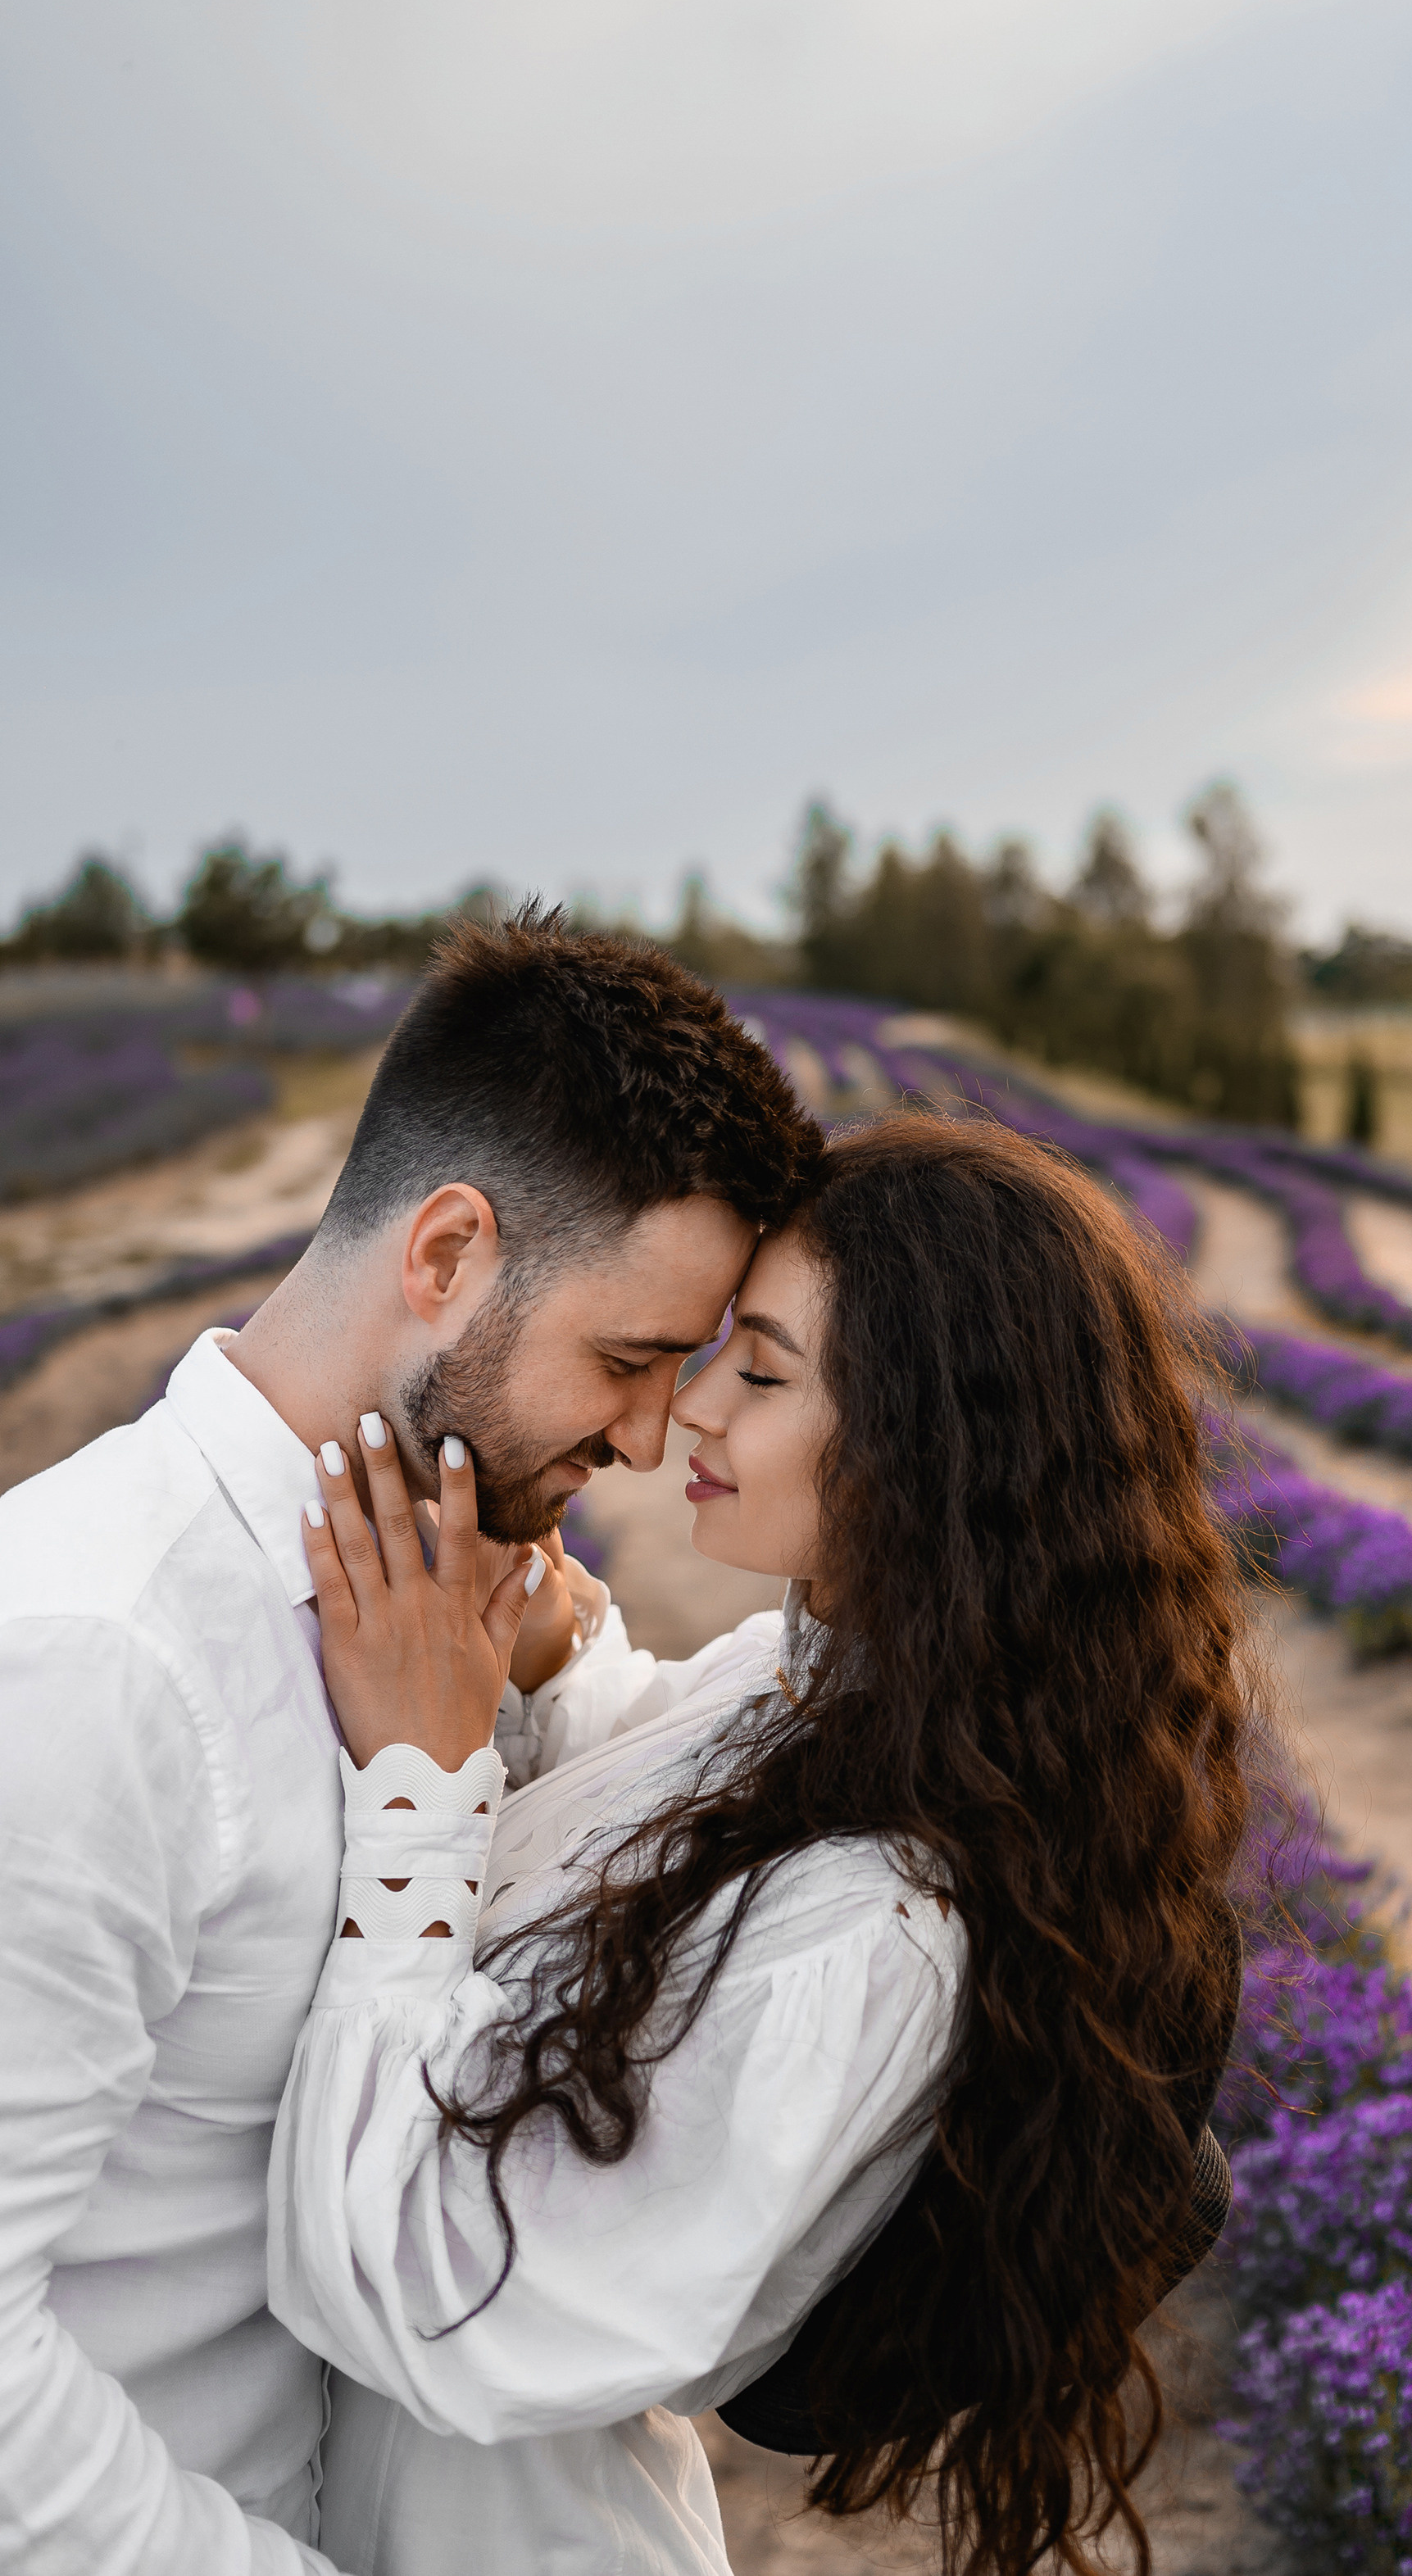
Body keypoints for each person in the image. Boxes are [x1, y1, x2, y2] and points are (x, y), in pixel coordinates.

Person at [269, 1109, 1252, 2576]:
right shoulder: (823, 1689)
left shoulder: (883, 1925)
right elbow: (666, 1813)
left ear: (933, 1448)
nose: (688, 1412)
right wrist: (539, 1666)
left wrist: (420, 1775)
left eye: (766, 1369)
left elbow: (437, 2297)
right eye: (712, 1344)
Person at [0, 910, 819, 2574]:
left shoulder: (453, 1606)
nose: (659, 1437)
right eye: (629, 1358)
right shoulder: (98, 1662)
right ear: (445, 1255)